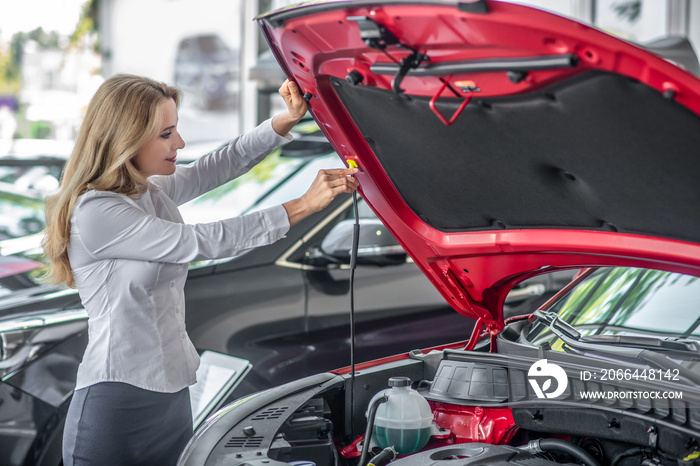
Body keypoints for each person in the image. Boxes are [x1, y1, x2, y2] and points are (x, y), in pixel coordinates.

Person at [41, 74, 359, 466]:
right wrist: (303, 205)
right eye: (167, 133)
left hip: (172, 394)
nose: (180, 143)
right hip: (115, 402)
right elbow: (200, 242)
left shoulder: (146, 191)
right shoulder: (96, 211)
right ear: (127, 138)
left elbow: (217, 166)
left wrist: (285, 121)